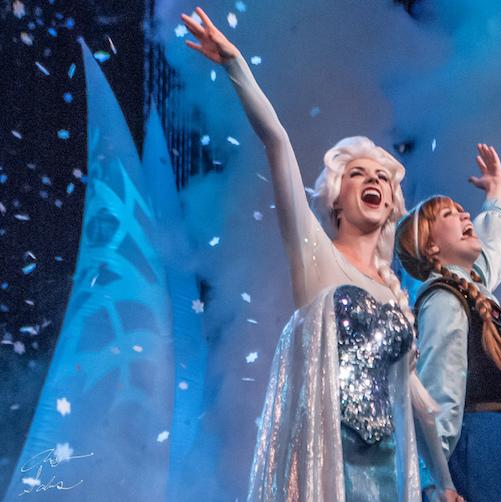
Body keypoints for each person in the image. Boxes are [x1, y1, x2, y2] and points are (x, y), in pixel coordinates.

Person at [180, 7, 461, 502]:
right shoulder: (315, 255)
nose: (373, 181)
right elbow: (278, 142)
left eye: (382, 177)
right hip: (324, 467)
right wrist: (235, 65)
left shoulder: (394, 293)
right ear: (335, 197)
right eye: (358, 174)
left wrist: (447, 483)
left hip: (385, 469)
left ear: (391, 203)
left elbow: (419, 404)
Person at [395, 144, 501, 502]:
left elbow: (494, 254)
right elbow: (439, 392)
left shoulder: (473, 289)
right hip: (484, 445)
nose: (464, 214)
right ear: (431, 247)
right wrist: (436, 479)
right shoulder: (443, 298)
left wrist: (495, 196)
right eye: (450, 214)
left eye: (462, 210)